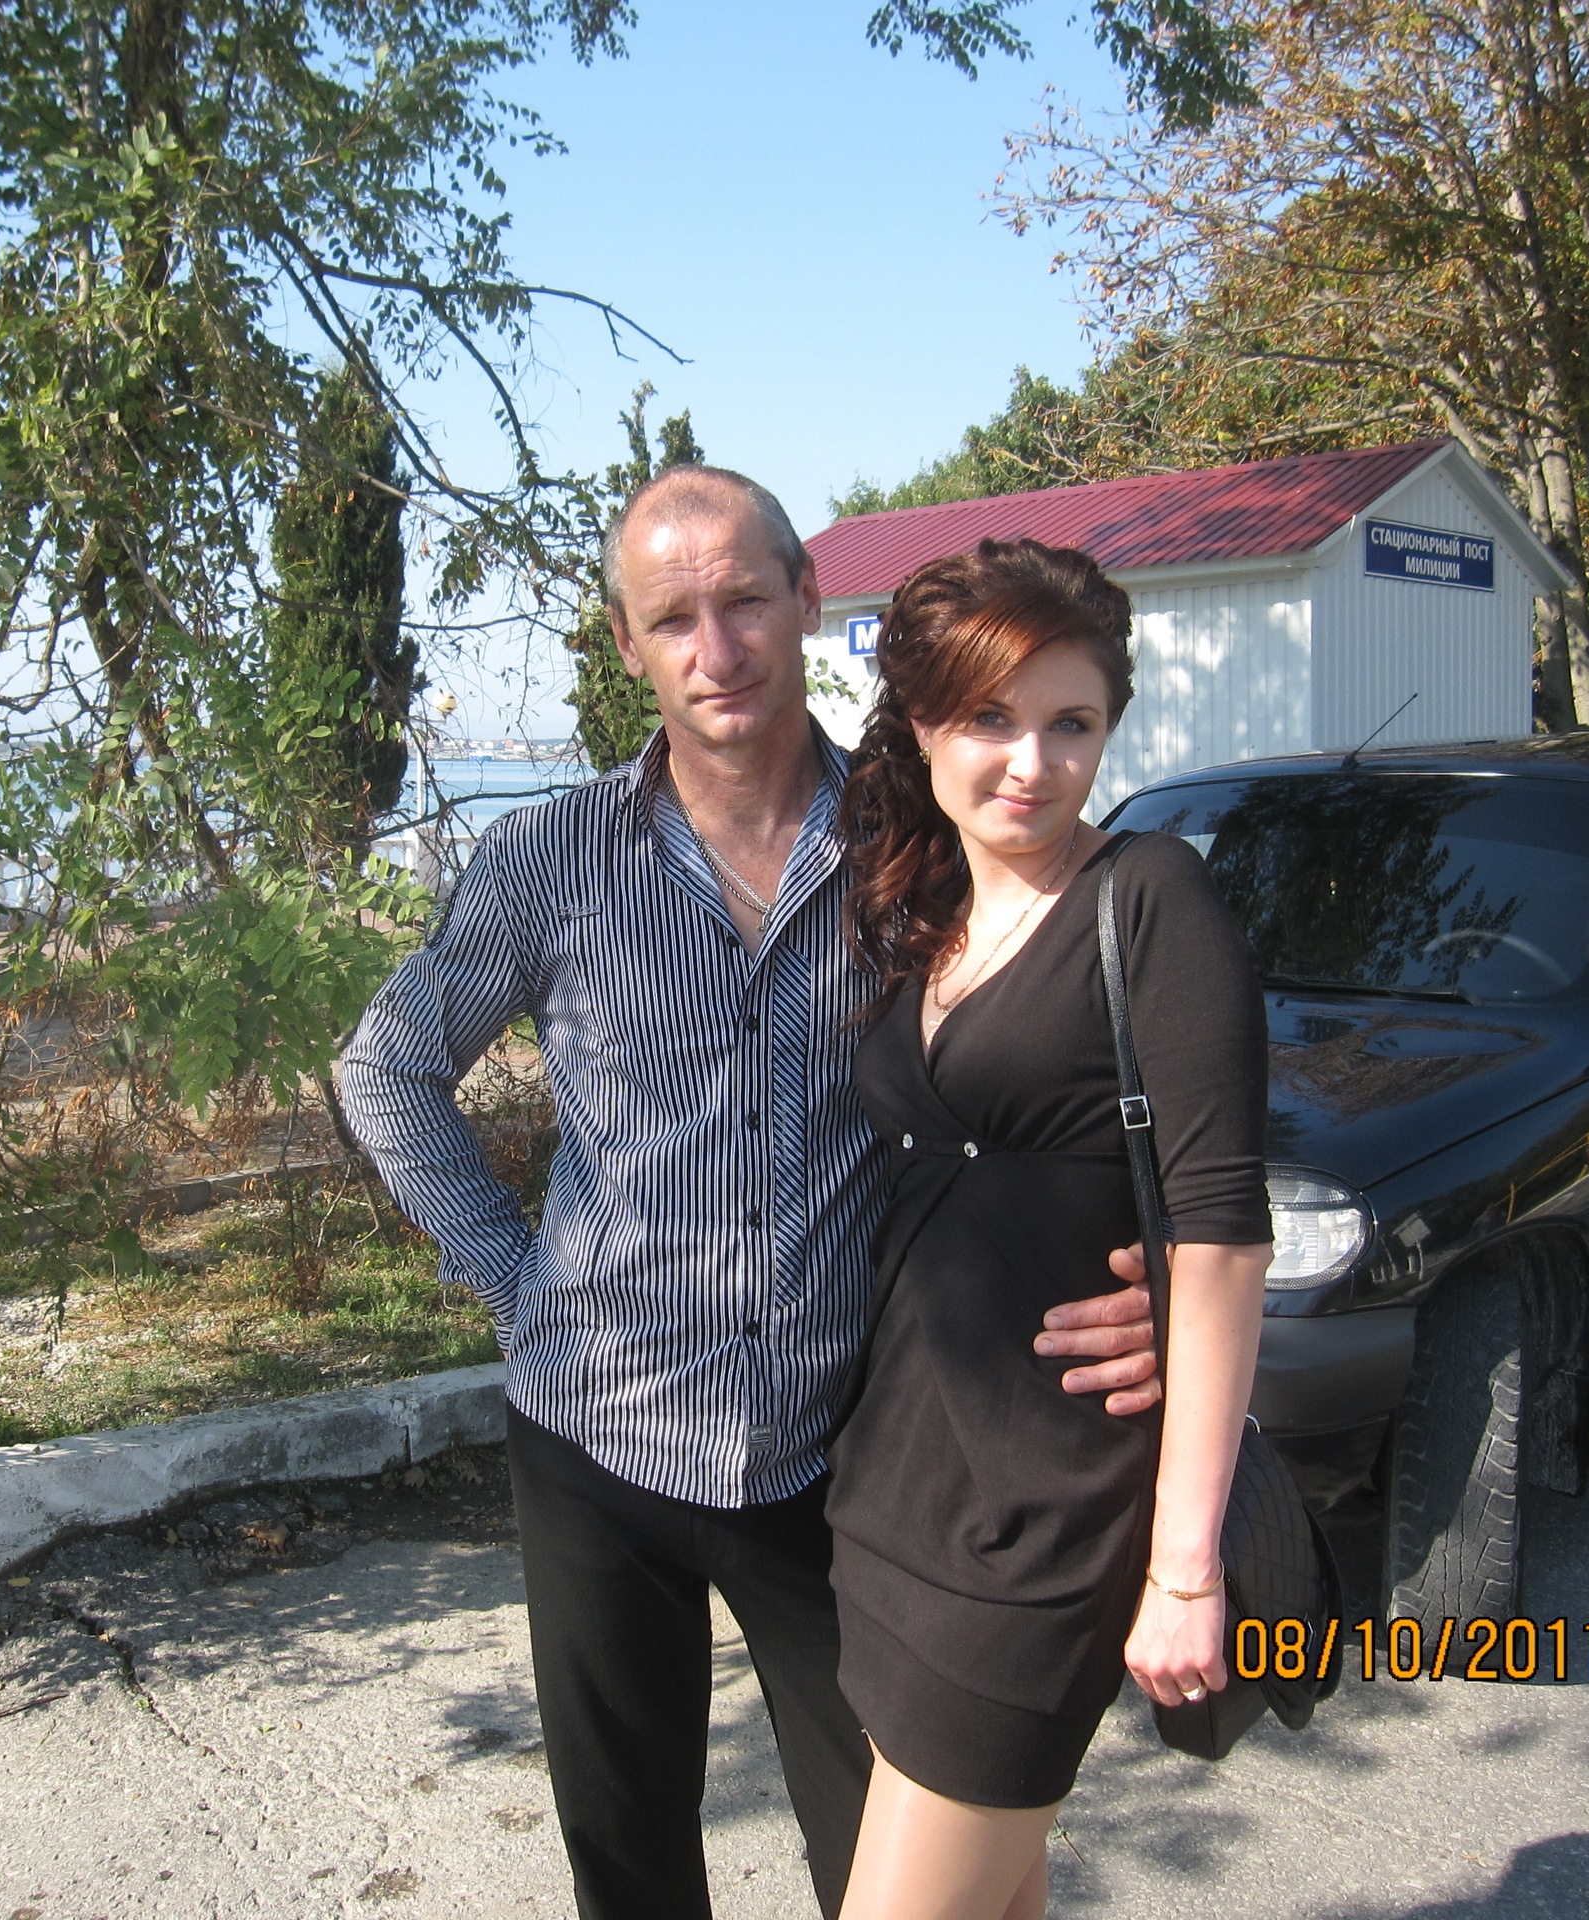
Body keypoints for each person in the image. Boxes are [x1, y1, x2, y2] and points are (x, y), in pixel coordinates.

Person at [333, 468, 1163, 1920]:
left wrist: (1151, 1273)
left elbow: (1065, 1074)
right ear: (627, 645)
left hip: (844, 1459)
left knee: (891, 1869)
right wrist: (523, 1293)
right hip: (595, 1446)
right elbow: (386, 1069)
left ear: (808, 600)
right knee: (631, 1872)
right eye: (673, 619)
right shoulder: (547, 861)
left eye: (744, 602)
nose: (716, 651)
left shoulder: (923, 845)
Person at [824, 540, 1272, 1920]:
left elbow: (1218, 1236)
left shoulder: (1150, 898)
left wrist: (1184, 1570)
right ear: (921, 726)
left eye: (1070, 723)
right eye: (989, 718)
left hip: (1050, 1528)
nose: (1032, 762)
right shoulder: (925, 915)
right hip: (895, 1498)